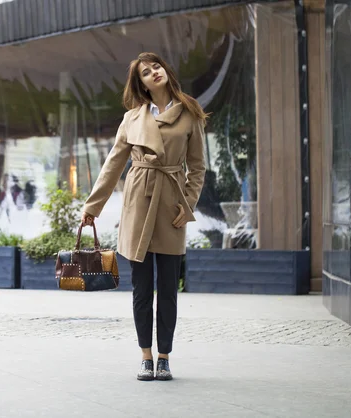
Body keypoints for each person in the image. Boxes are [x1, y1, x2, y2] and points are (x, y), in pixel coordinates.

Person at [81, 52, 207, 381]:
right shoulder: (132, 119)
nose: (154, 73)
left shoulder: (189, 112)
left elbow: (197, 168)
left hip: (171, 207)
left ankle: (164, 356)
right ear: (142, 85)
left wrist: (188, 205)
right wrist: (92, 208)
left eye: (157, 67)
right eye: (146, 72)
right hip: (138, 203)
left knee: (167, 287)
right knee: (141, 289)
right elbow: (112, 166)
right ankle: (145, 357)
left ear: (166, 70)